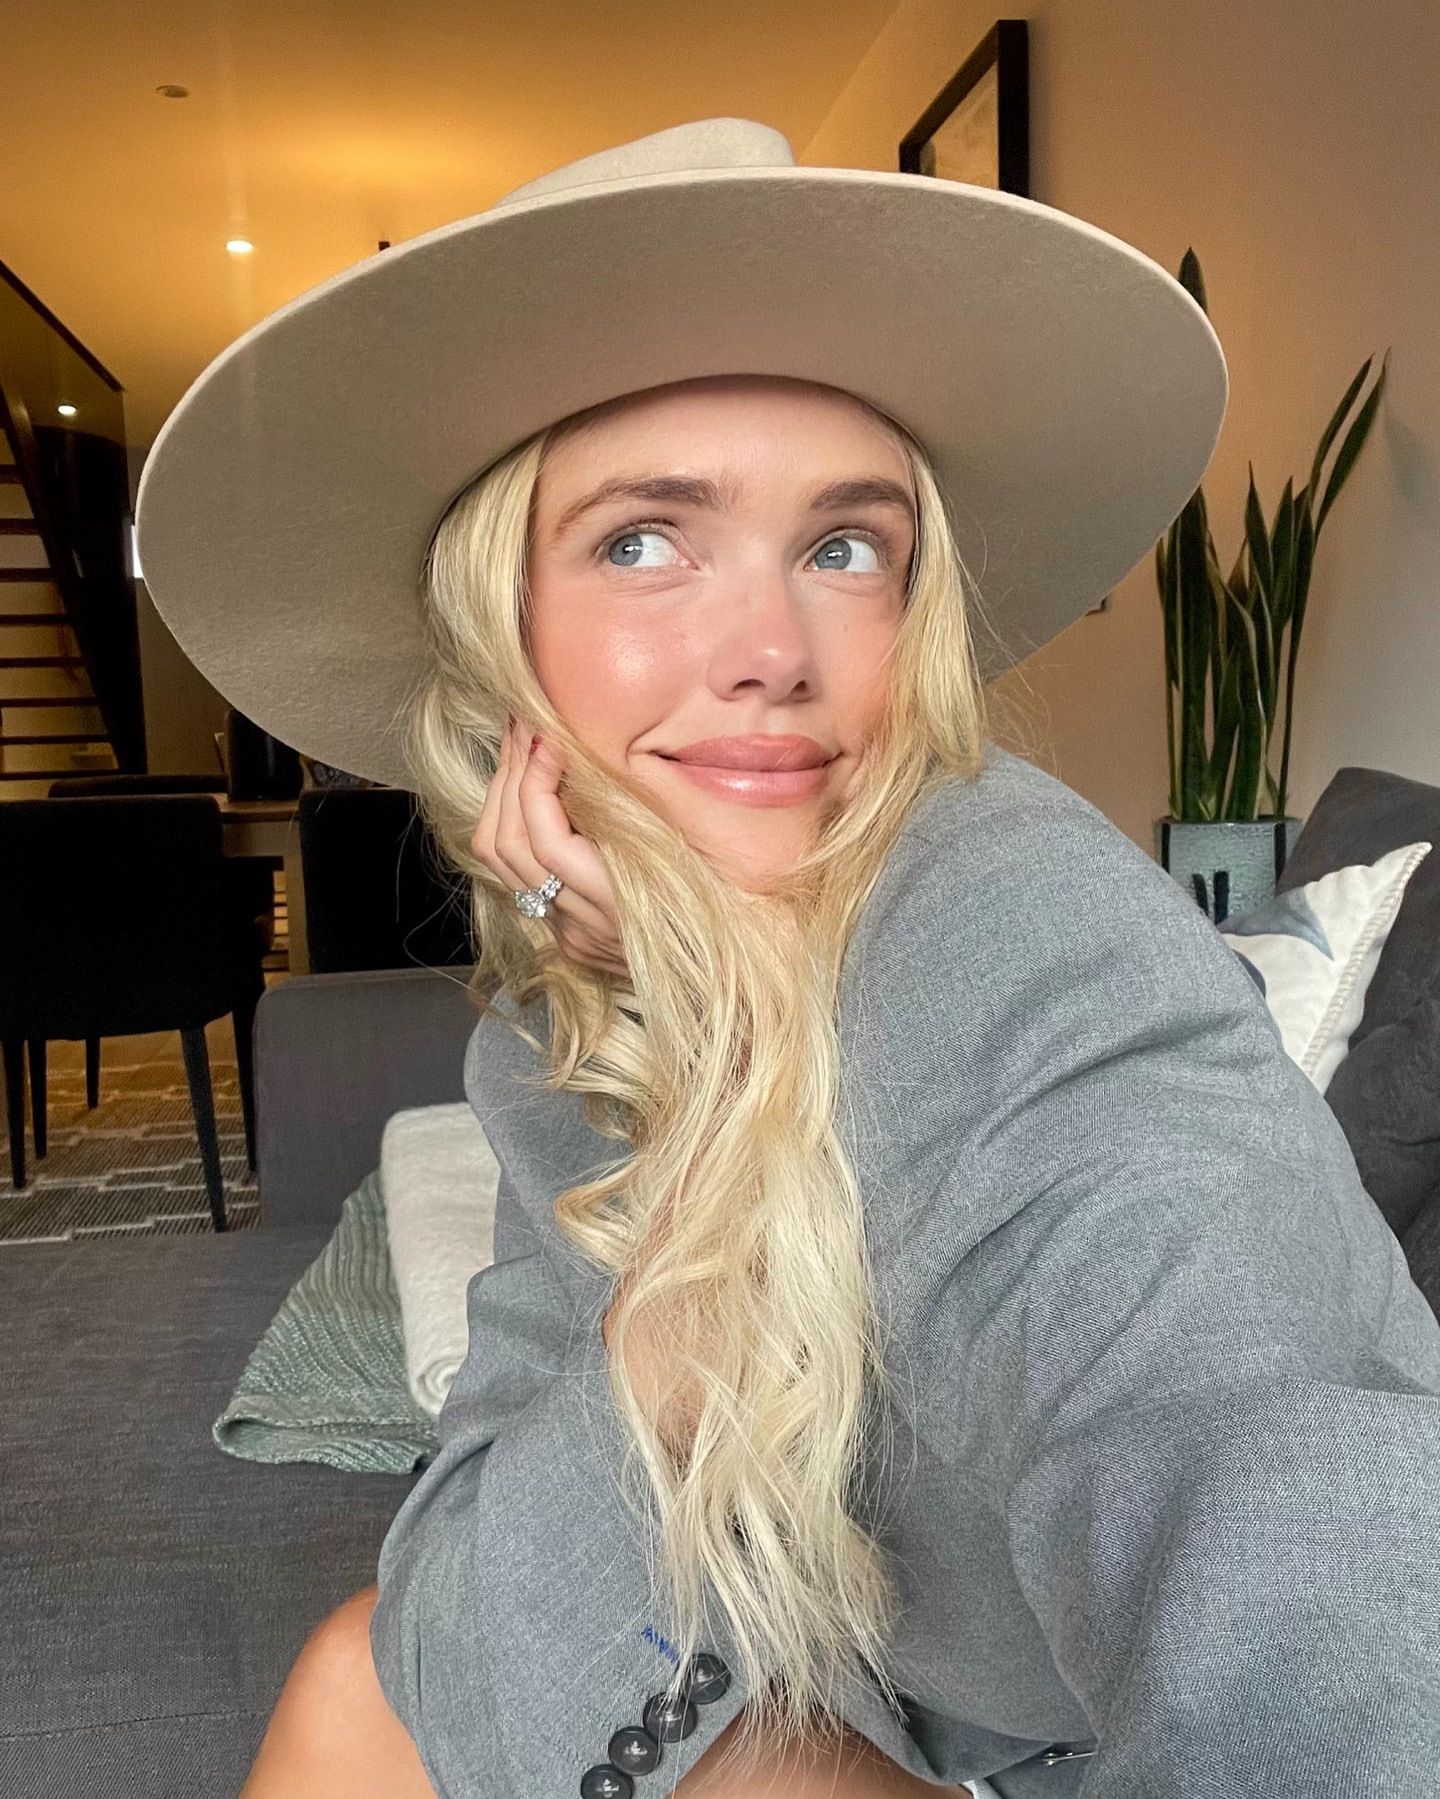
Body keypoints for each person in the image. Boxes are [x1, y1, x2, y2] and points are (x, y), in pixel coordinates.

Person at [134, 121, 1440, 1799]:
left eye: (845, 548)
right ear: (503, 630)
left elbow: (1280, 1489)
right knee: (352, 1673)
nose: (772, 652)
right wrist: (712, 1044)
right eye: (643, 540)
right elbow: (456, 1607)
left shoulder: (1012, 911)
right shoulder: (563, 1020)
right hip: (859, 1709)